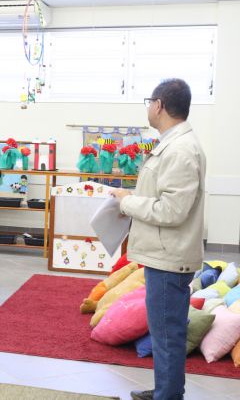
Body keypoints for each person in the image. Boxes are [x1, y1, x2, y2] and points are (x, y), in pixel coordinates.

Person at [111, 79, 206, 400]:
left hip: (169, 256)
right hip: (164, 252)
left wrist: (127, 202)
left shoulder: (180, 149)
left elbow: (172, 210)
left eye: (149, 102)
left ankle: (169, 396)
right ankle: (167, 390)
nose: (148, 107)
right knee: (165, 331)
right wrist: (129, 202)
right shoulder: (173, 144)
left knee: (167, 334)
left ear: (159, 105)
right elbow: (161, 196)